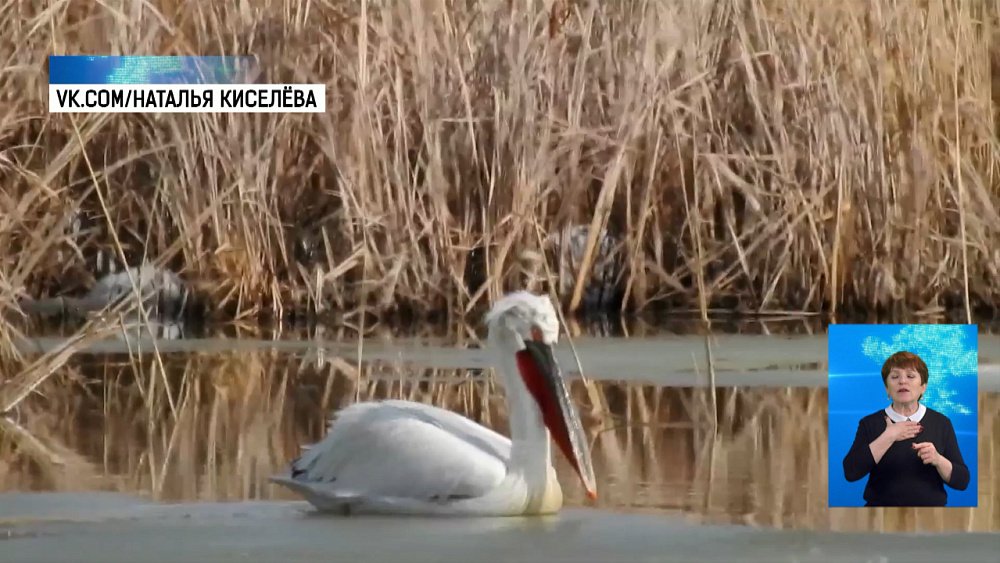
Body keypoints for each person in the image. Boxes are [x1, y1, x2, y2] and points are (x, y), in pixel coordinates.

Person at [841, 350, 970, 506]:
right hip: (880, 518)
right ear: (887, 389)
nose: (902, 381)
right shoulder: (870, 423)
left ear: (923, 387)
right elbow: (851, 472)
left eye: (910, 376)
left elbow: (962, 481)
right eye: (895, 377)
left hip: (931, 518)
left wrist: (938, 459)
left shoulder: (942, 423)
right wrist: (888, 436)